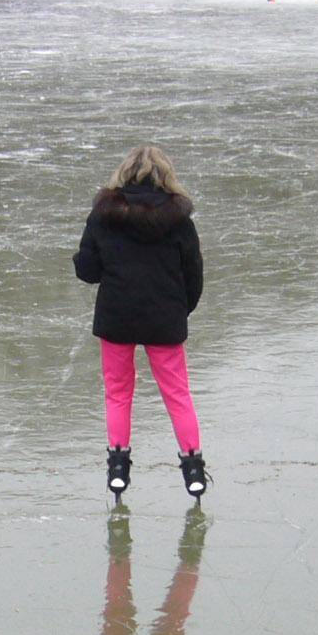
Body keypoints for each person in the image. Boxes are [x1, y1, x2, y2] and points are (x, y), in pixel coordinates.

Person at [72, 145, 208, 503]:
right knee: (178, 395)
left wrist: (84, 257)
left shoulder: (103, 216)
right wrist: (182, 310)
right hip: (164, 318)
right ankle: (193, 468)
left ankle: (118, 466)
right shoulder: (179, 220)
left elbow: (87, 271)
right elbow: (193, 273)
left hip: (117, 317)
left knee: (118, 394)